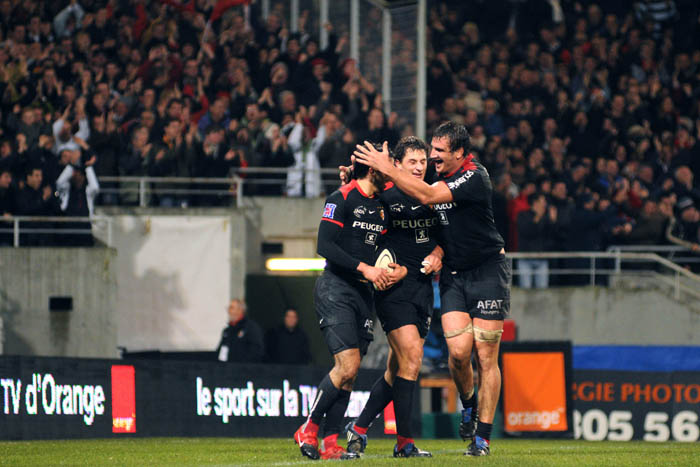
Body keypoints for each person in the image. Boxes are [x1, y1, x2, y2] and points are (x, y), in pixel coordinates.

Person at [354, 121, 511, 456]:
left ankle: (481, 438)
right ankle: (469, 403)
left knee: (485, 355)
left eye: (437, 152)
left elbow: (427, 199)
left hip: (487, 271)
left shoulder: (474, 176)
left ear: (460, 153)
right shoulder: (429, 185)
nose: (431, 158)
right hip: (451, 275)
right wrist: (356, 180)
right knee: (458, 354)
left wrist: (388, 168)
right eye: (429, 152)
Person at [293, 154, 405, 461]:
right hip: (336, 288)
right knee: (347, 365)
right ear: (372, 170)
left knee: (351, 374)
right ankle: (308, 428)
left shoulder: (382, 203)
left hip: (364, 294)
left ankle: (330, 443)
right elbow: (324, 245)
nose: (391, 172)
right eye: (385, 167)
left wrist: (391, 268)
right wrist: (365, 268)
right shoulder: (340, 197)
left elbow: (387, 244)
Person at [345, 136, 442, 458]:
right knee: (413, 356)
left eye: (423, 161)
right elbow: (361, 232)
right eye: (412, 161)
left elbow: (446, 239)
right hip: (393, 287)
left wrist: (439, 254)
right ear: (396, 164)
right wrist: (348, 179)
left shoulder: (436, 194)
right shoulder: (383, 196)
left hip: (423, 288)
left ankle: (359, 427)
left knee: (396, 369)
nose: (419, 167)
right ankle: (404, 443)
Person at [216, 299, 265, 364]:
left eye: (231, 308)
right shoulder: (227, 331)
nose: (228, 311)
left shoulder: (251, 328)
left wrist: (243, 365)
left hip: (243, 368)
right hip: (226, 368)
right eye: (228, 308)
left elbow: (256, 351)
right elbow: (221, 352)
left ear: (240, 310)